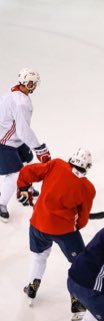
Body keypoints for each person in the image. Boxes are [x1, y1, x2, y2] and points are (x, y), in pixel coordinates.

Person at [17, 148, 95, 319]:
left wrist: (23, 187)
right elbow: (83, 218)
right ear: (87, 166)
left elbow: (27, 171)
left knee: (39, 256)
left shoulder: (57, 165)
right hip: (64, 231)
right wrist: (73, 227)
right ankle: (77, 300)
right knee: (78, 263)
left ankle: (32, 286)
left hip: (38, 223)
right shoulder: (88, 187)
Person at [0, 68, 51, 222]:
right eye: (30, 83)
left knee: (27, 162)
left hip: (14, 138)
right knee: (14, 174)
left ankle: (24, 187)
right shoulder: (20, 102)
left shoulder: (15, 91)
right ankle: (1, 203)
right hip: (4, 141)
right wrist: (39, 148)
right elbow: (23, 131)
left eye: (34, 83)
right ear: (24, 82)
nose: (33, 86)